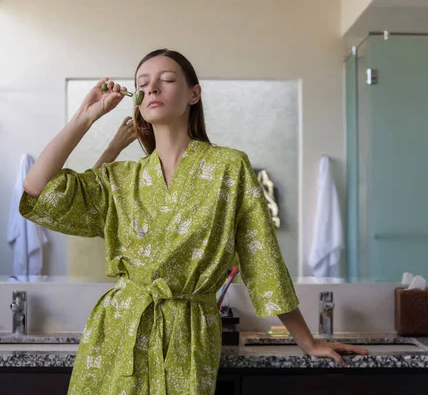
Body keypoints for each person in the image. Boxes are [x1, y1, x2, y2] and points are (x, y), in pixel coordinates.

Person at [20, 48, 368, 395]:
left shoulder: (229, 167)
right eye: (143, 83)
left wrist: (307, 342)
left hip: (190, 331)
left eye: (167, 79)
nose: (153, 87)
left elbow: (263, 261)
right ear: (137, 100)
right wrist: (86, 115)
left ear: (193, 94)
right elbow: (37, 188)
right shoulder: (120, 178)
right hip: (117, 331)